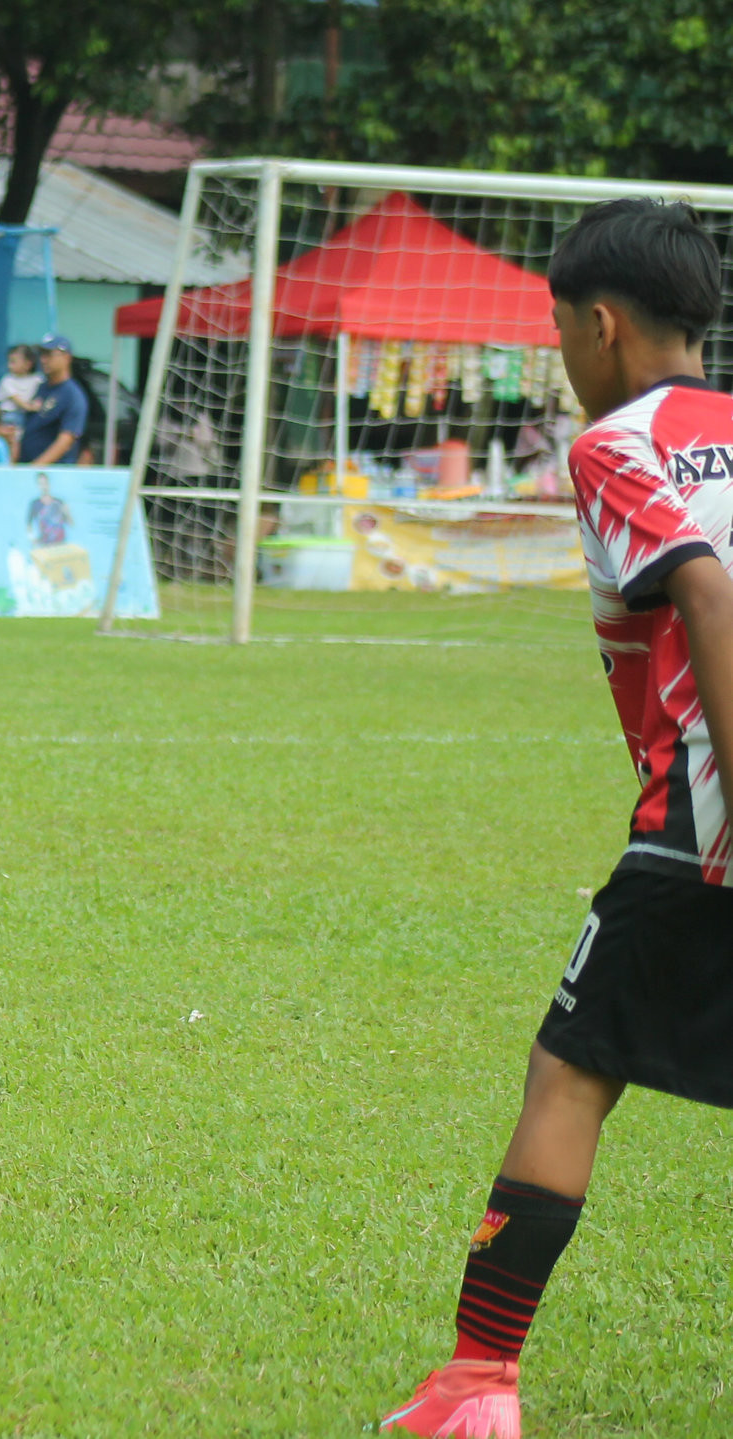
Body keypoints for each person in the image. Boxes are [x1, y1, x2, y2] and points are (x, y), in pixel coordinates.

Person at [378, 199, 733, 1438]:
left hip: (703, 812)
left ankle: (474, 1385)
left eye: (555, 332)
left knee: (570, 1068)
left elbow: (697, 585)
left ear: (600, 325)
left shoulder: (614, 443)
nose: (561, 361)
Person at [17, 335, 90, 466]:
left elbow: (66, 440)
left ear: (66, 357)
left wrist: (35, 467)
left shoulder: (72, 395)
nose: (43, 360)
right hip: (27, 467)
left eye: (49, 355)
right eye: (42, 355)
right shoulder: (40, 387)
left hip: (52, 475)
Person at [0, 344, 44, 423]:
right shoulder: (7, 380)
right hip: (9, 414)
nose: (9, 366)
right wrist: (29, 408)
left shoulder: (37, 379)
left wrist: (36, 405)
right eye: (9, 361)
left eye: (13, 362)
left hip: (27, 415)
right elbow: (16, 399)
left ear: (28, 364)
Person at [27, 473, 70, 547]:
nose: (44, 486)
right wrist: (32, 539)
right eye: (41, 484)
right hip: (45, 544)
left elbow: (70, 523)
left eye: (45, 483)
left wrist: (67, 513)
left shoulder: (59, 502)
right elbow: (29, 524)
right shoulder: (34, 504)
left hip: (61, 544)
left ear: (49, 483)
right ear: (38, 485)